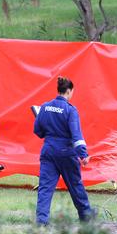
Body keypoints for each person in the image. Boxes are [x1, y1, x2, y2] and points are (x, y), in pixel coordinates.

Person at [33, 76, 97, 225]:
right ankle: (86, 216)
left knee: (45, 187)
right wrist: (83, 154)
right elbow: (76, 135)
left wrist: (48, 134)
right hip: (66, 153)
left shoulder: (45, 107)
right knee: (75, 186)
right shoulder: (71, 110)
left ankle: (41, 220)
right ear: (68, 91)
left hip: (48, 152)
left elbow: (37, 130)